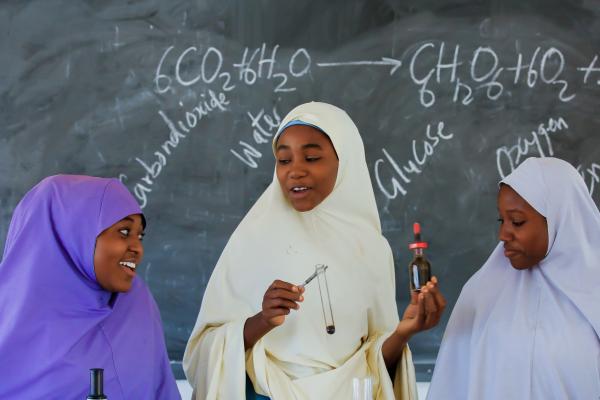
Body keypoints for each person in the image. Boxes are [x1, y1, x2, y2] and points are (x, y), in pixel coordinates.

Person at [184, 102, 446, 399]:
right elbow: (203, 354)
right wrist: (262, 321)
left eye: (311, 158)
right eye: (284, 160)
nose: (295, 171)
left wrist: (403, 333)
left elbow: (375, 366)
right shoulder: (253, 240)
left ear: (344, 161)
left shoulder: (371, 248)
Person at [427, 157, 600, 400]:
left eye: (517, 222)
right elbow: (451, 386)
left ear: (559, 218)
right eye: (502, 220)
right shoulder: (481, 294)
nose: (503, 234)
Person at [0, 175, 180, 399]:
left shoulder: (137, 305)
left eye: (140, 236)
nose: (137, 248)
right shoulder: (10, 321)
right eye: (124, 232)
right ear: (73, 231)